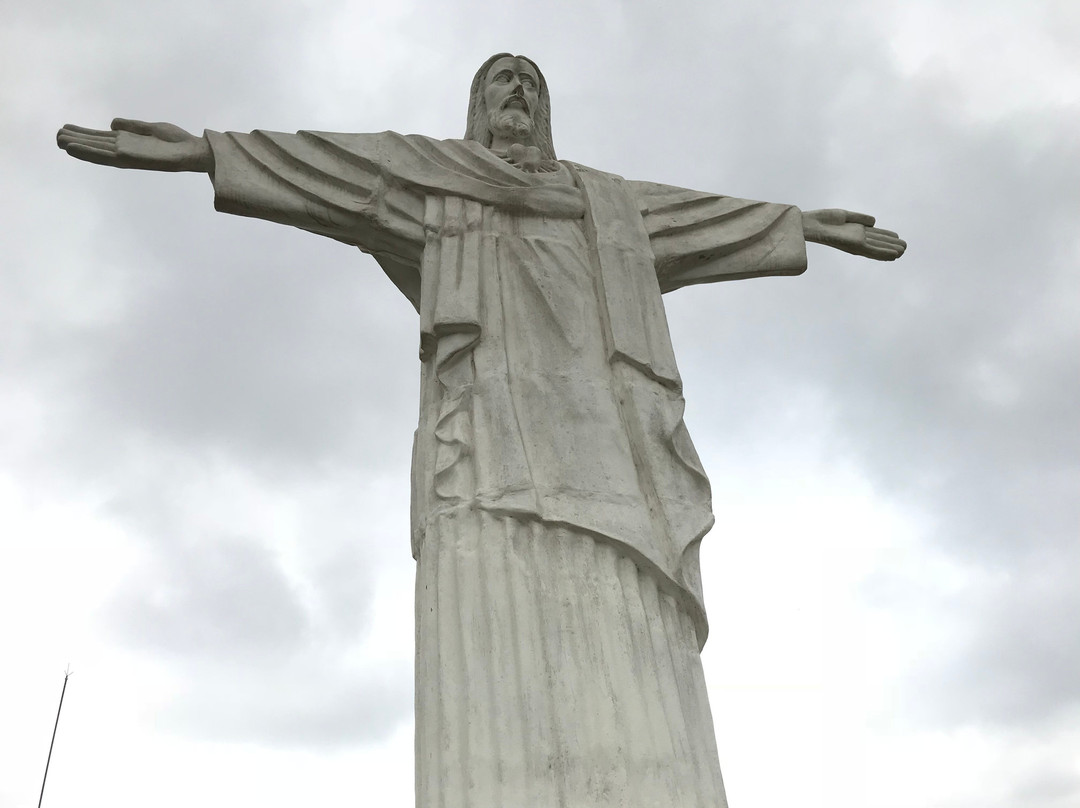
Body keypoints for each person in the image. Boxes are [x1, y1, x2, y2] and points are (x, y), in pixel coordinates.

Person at [58, 52, 905, 808]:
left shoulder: (605, 204)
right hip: (486, 448)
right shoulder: (437, 183)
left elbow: (701, 220)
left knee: (631, 654)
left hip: (609, 455)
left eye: (531, 84)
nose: (517, 92)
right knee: (495, 636)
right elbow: (334, 171)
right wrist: (206, 152)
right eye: (501, 80)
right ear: (475, 107)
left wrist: (801, 226)